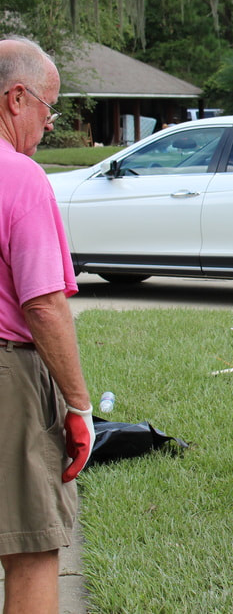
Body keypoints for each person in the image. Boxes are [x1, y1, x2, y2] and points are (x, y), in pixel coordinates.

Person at [0, 36, 94, 612]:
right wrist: (78, 405)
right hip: (9, 377)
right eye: (46, 107)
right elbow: (43, 304)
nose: (49, 124)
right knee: (32, 549)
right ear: (15, 98)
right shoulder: (21, 177)